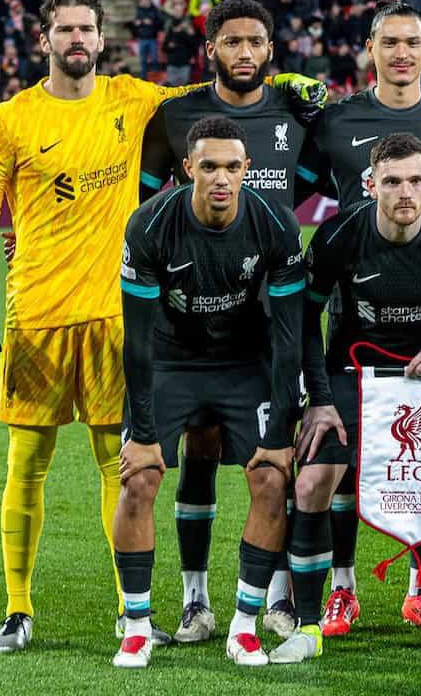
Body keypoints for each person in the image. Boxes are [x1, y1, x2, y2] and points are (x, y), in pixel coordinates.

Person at [0, 0, 206, 654]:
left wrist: (276, 83)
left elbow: (207, 94)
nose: (76, 38)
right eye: (65, 28)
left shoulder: (130, 96)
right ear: (45, 40)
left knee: (116, 464)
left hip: (112, 316)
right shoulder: (9, 119)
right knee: (28, 461)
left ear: (101, 38)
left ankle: (132, 609)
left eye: (86, 28)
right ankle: (17, 608)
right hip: (36, 312)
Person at [138, 0, 326, 643]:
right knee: (199, 448)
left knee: (275, 458)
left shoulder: (295, 110)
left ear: (270, 51)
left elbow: (312, 180)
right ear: (210, 49)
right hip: (193, 316)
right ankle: (196, 603)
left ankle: (276, 599)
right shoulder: (176, 114)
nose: (243, 53)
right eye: (231, 43)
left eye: (255, 43)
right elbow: (139, 198)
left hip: (271, 314)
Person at [275, 133, 421, 663]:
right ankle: (316, 618)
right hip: (353, 373)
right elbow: (306, 320)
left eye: (416, 180)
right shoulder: (337, 236)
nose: (405, 191)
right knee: (312, 482)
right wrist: (321, 398)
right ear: (370, 184)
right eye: (393, 181)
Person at [301, 0, 421, 637]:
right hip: (352, 351)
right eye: (390, 43)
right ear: (370, 49)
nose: (401, 53)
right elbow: (281, 194)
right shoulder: (335, 127)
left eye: (413, 42)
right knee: (335, 473)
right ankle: (339, 591)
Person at [112, 115, 305, 668]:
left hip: (246, 362)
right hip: (170, 361)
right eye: (209, 167)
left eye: (232, 167)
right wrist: (145, 435)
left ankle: (244, 626)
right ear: (186, 169)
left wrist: (276, 432)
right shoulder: (149, 226)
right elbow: (139, 342)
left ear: (248, 170)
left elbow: (289, 335)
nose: (221, 178)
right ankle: (138, 624)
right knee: (140, 477)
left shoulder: (275, 223)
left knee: (271, 477)